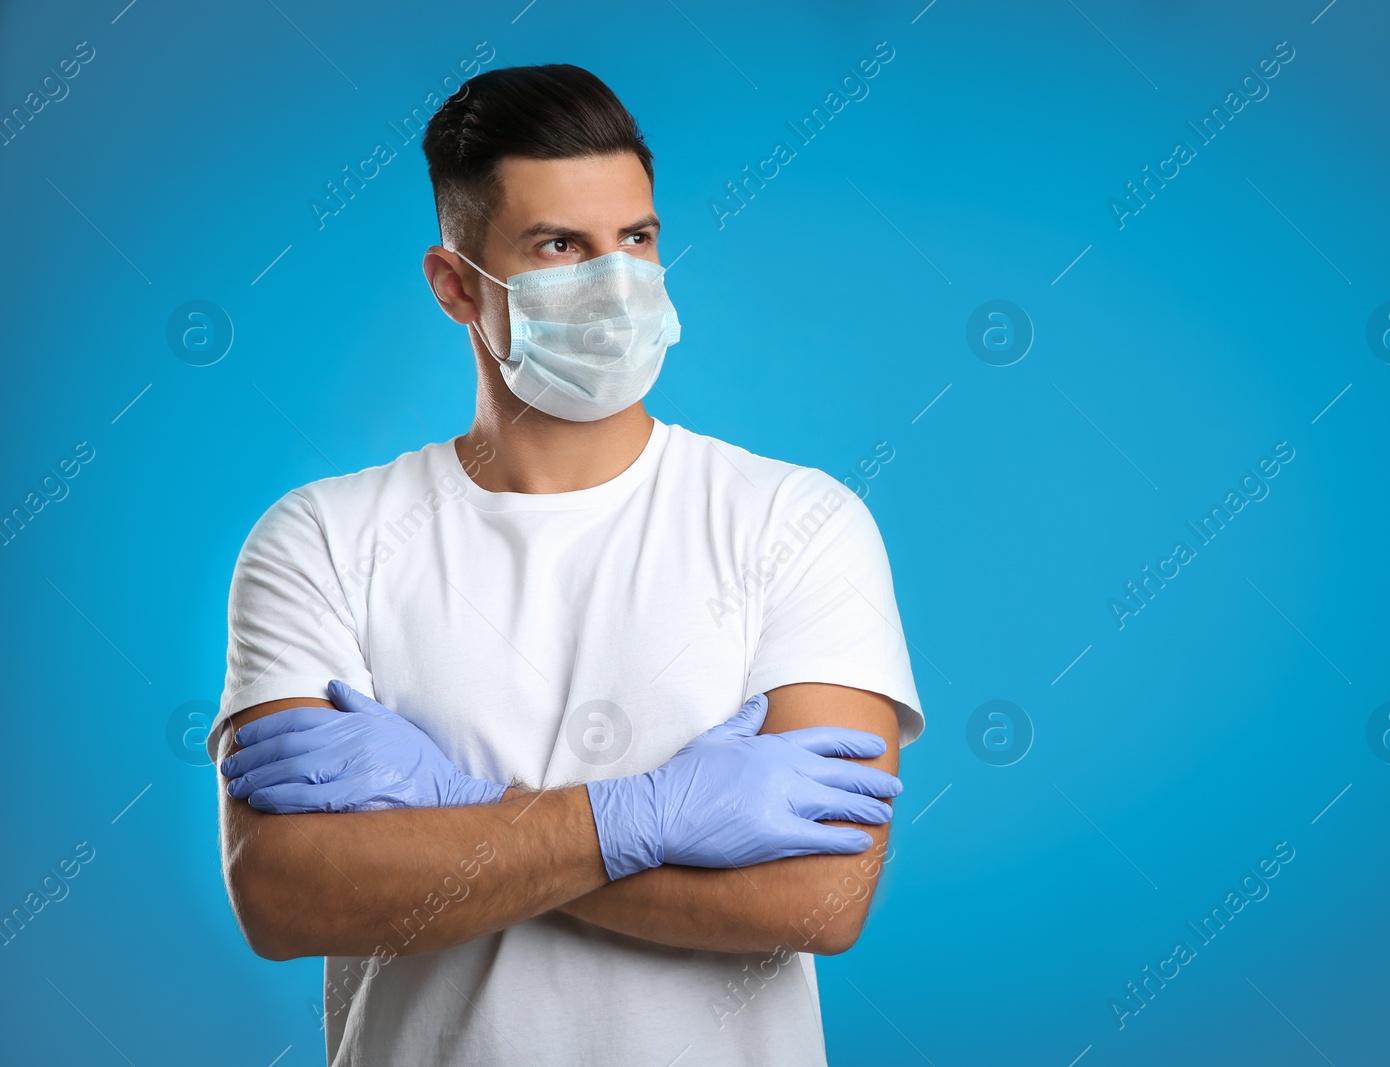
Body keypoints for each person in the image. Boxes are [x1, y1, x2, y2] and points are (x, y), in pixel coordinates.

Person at [208, 63, 924, 1066]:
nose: (616, 283)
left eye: (636, 239)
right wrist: (647, 816)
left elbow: (819, 894)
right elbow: (286, 897)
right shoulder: (322, 538)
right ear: (457, 285)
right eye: (559, 247)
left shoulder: (794, 522)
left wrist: (451, 814)